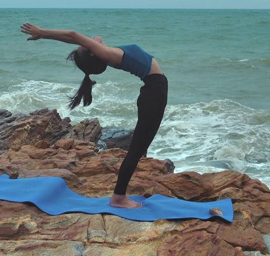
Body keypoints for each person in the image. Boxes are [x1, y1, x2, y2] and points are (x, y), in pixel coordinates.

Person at [20, 23, 168, 209]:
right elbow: (72, 35)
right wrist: (42, 33)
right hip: (154, 93)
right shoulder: (108, 54)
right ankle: (118, 198)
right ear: (92, 51)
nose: (90, 39)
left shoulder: (107, 52)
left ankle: (119, 196)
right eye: (87, 44)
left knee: (138, 147)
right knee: (137, 149)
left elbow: (74, 39)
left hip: (154, 91)